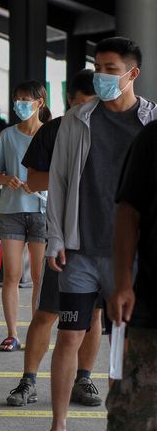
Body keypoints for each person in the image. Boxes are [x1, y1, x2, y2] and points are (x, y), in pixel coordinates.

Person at [46, 37, 157, 431]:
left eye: (111, 69)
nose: (102, 77)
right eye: (99, 68)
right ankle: (58, 424)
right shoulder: (78, 119)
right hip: (80, 250)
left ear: (133, 73)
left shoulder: (149, 125)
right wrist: (55, 238)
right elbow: (58, 180)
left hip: (129, 260)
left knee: (121, 346)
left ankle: (115, 421)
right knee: (69, 337)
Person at [5, 69, 102, 408]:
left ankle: (85, 379)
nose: (88, 113)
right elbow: (32, 179)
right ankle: (28, 381)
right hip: (65, 238)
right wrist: (70, 174)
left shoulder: (112, 127)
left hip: (104, 240)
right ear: (69, 101)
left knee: (94, 316)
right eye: (81, 106)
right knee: (47, 312)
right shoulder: (55, 129)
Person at [0, 81, 50, 352]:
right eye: (18, 99)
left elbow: (60, 175)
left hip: (42, 212)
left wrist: (38, 183)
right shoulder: (7, 136)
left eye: (26, 100)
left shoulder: (50, 135)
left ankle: (36, 334)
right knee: (12, 275)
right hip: (12, 211)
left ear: (40, 103)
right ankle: (12, 333)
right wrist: (7, 180)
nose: (20, 104)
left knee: (39, 277)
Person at [107, 120, 157, 430]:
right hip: (154, 308)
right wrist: (123, 283)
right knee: (135, 416)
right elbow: (128, 211)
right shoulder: (152, 138)